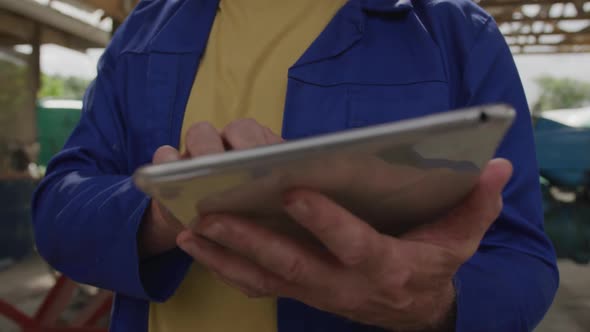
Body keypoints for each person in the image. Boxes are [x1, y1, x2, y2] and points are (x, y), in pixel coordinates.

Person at [31, 0, 559, 331]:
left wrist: (437, 307)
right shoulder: (144, 30)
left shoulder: (454, 32)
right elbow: (60, 210)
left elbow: (523, 261)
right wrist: (163, 211)